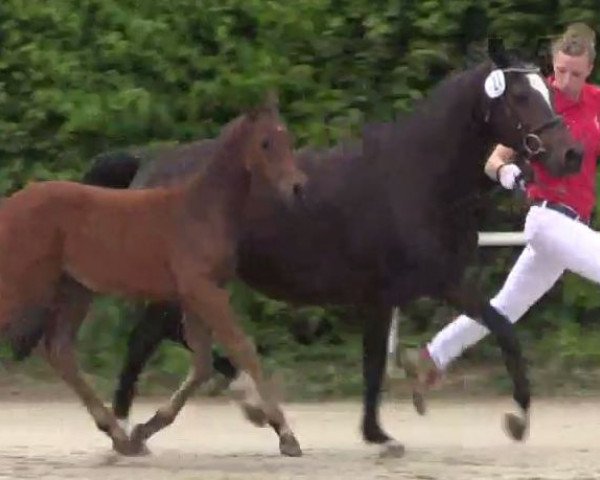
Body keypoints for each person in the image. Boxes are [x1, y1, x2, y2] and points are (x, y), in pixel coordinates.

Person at [403, 22, 600, 400]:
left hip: (573, 226)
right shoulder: (539, 98)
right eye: (560, 70)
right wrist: (510, 175)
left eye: (575, 73)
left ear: (589, 69)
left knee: (504, 308)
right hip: (546, 218)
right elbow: (494, 159)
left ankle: (431, 355)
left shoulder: (595, 103)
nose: (564, 80)